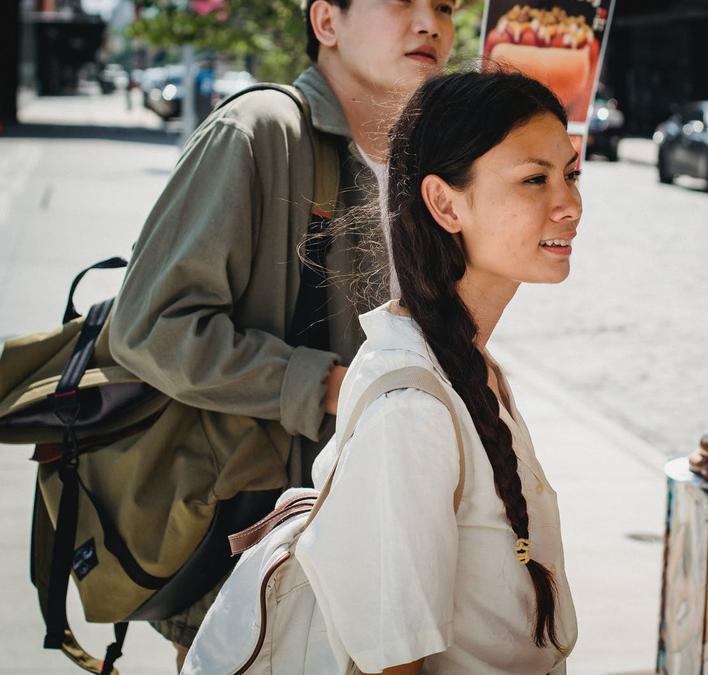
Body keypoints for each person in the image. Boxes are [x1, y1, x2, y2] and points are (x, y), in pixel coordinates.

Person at [108, 0, 456, 667]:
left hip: (376, 535)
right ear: (326, 22)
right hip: (255, 550)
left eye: (444, 5)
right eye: (402, 1)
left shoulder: (424, 168)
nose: (430, 21)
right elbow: (151, 326)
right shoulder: (260, 132)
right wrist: (322, 384)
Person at [294, 70, 582, 674]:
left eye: (571, 174)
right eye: (536, 179)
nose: (570, 205)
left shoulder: (467, 365)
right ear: (445, 202)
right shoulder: (412, 409)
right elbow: (393, 662)